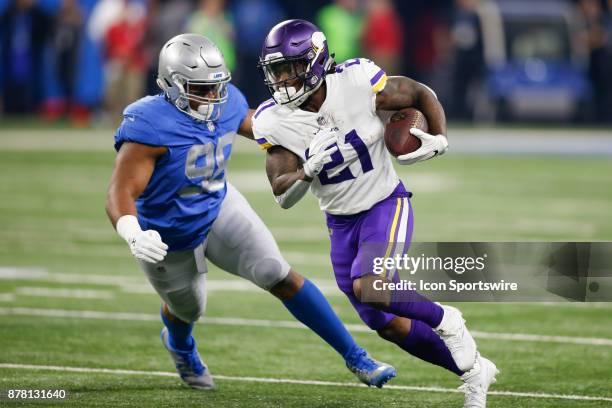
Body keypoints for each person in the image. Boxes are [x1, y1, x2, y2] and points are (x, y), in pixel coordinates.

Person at [105, 33, 397, 390]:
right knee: (189, 309)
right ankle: (179, 342)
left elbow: (266, 128)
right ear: (172, 85)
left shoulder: (227, 103)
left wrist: (332, 129)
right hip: (167, 232)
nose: (213, 97)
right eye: (201, 88)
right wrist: (133, 233)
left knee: (278, 273)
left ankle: (356, 357)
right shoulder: (149, 124)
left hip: (218, 206)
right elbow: (120, 190)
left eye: (216, 87)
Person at [252, 19, 498, 407]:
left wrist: (440, 135)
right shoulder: (273, 119)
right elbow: (282, 194)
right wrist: (307, 170)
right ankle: (473, 371)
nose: (282, 80)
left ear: (314, 62)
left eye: (289, 69)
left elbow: (419, 92)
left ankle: (446, 318)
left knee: (373, 288)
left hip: (384, 202)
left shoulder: (356, 81)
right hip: (340, 223)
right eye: (275, 71)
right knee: (389, 326)